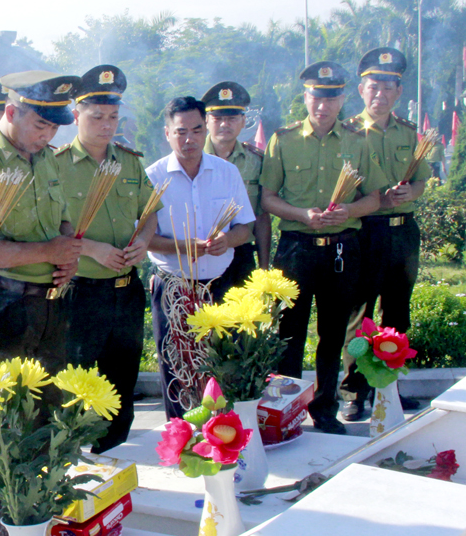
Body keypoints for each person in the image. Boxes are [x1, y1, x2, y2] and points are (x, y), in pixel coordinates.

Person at [259, 61, 384, 434]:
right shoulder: (284, 139)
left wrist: (349, 210)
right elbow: (267, 198)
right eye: (317, 97)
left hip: (341, 248)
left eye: (331, 98)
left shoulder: (357, 141)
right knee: (289, 335)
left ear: (343, 99)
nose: (323, 105)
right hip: (297, 246)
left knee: (332, 333)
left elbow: (374, 198)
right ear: (306, 98)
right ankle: (288, 411)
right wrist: (301, 213)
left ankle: (325, 408)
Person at [56, 65, 155, 451]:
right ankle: (71, 463)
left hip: (125, 292)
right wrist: (92, 248)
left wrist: (143, 242)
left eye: (113, 117)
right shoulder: (57, 165)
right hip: (82, 293)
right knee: (76, 386)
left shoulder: (129, 163)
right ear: (76, 116)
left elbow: (150, 213)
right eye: (97, 117)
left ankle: (114, 456)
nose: (106, 125)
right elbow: (50, 229)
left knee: (121, 385)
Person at [0, 71, 84, 374]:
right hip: (3, 306)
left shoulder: (46, 157)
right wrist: (48, 252)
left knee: (53, 407)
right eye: (41, 125)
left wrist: (68, 254)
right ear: (11, 112)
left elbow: (64, 220)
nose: (48, 135)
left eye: (54, 127)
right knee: (8, 410)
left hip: (52, 304)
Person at [146, 97, 255, 418]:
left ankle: (222, 435)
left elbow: (245, 227)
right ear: (167, 133)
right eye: (181, 132)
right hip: (174, 288)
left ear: (205, 128)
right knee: (177, 365)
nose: (190, 139)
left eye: (196, 130)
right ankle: (180, 439)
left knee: (222, 363)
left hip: (220, 285)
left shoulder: (226, 172)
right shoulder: (152, 177)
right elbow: (144, 238)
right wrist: (182, 246)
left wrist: (227, 239)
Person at [340, 48, 430, 420]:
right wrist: (373, 200)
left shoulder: (410, 133)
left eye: (388, 87)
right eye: (373, 86)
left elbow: (422, 178)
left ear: (399, 91)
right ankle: (353, 393)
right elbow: (342, 187)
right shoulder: (347, 133)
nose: (380, 94)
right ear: (361, 90)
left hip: (403, 232)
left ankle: (389, 390)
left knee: (398, 313)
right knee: (359, 315)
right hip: (367, 231)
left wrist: (414, 192)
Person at [201, 81, 271, 299]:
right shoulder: (191, 160)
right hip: (200, 252)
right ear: (206, 121)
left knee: (243, 326)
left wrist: (264, 266)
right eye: (218, 118)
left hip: (241, 254)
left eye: (231, 118)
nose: (224, 124)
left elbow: (261, 217)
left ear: (243, 122)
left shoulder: (256, 161)